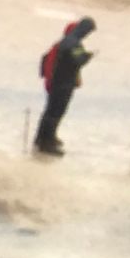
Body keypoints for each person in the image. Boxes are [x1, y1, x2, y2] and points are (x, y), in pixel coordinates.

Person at [36, 17, 96, 155]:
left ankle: (43, 138)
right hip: (63, 83)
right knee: (56, 112)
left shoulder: (66, 41)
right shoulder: (73, 43)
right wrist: (87, 56)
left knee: (50, 111)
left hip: (58, 82)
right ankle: (46, 142)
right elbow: (78, 60)